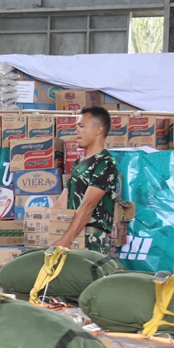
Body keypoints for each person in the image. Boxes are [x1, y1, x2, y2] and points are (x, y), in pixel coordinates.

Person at [55, 106, 121, 254]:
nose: (76, 130)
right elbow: (61, 202)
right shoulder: (79, 164)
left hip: (93, 241)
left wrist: (66, 240)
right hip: (72, 236)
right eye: (77, 126)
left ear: (98, 130)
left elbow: (88, 206)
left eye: (81, 126)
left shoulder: (105, 163)